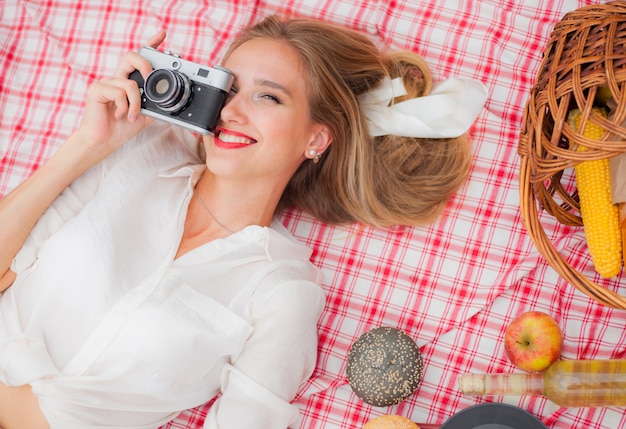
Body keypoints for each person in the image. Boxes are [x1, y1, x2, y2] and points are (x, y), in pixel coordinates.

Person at [0, 15, 486, 429]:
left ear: (317, 138)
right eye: (225, 89)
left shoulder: (282, 291)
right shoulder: (141, 151)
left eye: (267, 98)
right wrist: (89, 146)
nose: (228, 112)